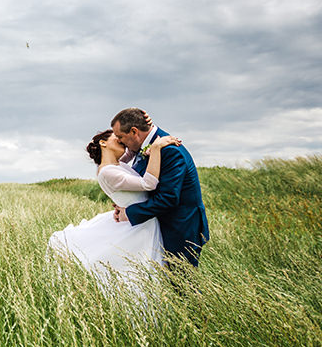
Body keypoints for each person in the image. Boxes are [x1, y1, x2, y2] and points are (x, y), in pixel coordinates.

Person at [47, 127, 181, 297]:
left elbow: (132, 152)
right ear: (103, 143)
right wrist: (155, 149)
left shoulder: (116, 164)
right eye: (117, 138)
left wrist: (145, 144)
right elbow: (149, 184)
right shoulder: (108, 172)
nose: (121, 140)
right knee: (137, 277)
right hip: (138, 227)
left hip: (141, 221)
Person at [110, 108, 209, 267]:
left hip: (179, 229)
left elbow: (168, 198)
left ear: (134, 131)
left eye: (121, 137)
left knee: (182, 285)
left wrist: (128, 213)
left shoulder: (169, 150)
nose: (120, 141)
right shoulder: (142, 145)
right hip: (160, 226)